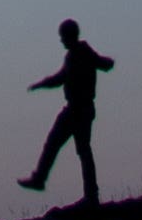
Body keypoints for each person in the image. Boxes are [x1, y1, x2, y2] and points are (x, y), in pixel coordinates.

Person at [18, 18, 116, 204]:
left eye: (63, 37)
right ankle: (88, 193)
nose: (61, 40)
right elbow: (62, 77)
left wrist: (106, 62)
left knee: (71, 147)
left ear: (69, 36)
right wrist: (42, 84)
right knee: (73, 148)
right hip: (78, 108)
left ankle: (88, 194)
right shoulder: (75, 55)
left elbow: (101, 64)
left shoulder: (82, 53)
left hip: (79, 109)